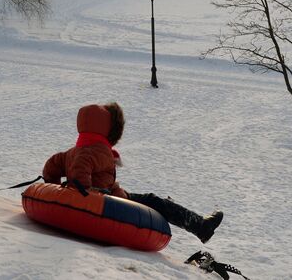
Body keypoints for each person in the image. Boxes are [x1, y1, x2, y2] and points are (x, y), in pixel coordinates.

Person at [42, 103, 224, 244]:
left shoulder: (73, 151)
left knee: (155, 201)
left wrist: (56, 189)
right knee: (155, 201)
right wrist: (85, 194)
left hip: (110, 197)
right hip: (111, 203)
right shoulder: (99, 152)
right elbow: (80, 175)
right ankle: (201, 226)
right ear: (106, 127)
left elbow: (52, 166)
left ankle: (200, 225)